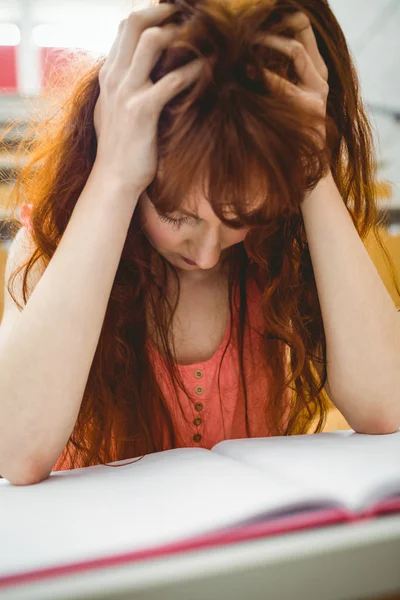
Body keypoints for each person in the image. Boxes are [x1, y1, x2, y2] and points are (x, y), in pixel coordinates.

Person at [1, 0, 399, 485]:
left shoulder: (276, 256)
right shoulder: (52, 248)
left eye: (242, 217)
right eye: (176, 215)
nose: (208, 254)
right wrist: (113, 175)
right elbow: (15, 452)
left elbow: (388, 406)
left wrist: (309, 163)